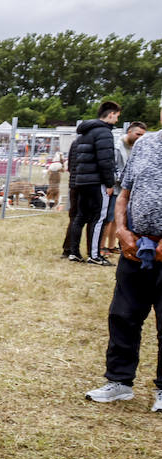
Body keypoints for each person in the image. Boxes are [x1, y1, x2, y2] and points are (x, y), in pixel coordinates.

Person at [85, 126, 162, 412]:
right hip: (135, 247)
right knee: (123, 316)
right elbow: (124, 194)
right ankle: (119, 382)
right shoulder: (144, 145)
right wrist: (122, 230)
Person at [61, 100, 121, 265]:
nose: (116, 120)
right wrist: (110, 183)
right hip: (96, 183)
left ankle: (73, 252)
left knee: (80, 217)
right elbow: (106, 161)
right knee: (99, 218)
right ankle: (95, 255)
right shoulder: (104, 133)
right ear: (110, 114)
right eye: (116, 116)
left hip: (81, 182)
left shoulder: (83, 134)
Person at [103, 121, 148, 254]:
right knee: (108, 219)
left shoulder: (137, 147)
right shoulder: (117, 147)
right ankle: (102, 246)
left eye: (142, 135)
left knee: (118, 220)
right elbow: (112, 167)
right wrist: (112, 183)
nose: (140, 137)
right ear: (129, 132)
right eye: (138, 134)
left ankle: (112, 246)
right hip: (116, 188)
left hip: (127, 190)